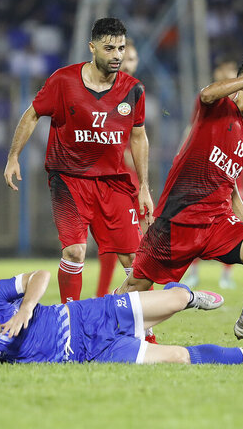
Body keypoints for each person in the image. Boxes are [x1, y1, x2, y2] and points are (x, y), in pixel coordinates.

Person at [117, 55, 243, 348]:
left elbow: (229, 181)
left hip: (218, 222)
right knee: (136, 287)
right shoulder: (218, 108)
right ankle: (99, 326)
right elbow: (207, 93)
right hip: (177, 221)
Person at [4, 18, 154, 304]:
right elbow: (33, 113)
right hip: (69, 179)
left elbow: (138, 137)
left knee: (136, 261)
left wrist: (144, 185)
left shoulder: (134, 89)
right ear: (92, 47)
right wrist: (13, 156)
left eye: (121, 48)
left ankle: (142, 330)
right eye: (109, 48)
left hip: (113, 182)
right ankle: (69, 320)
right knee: (74, 252)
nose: (117, 55)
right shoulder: (63, 80)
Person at [0, 270, 243, 366]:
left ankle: (185, 294)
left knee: (178, 300)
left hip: (93, 312)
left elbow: (39, 277)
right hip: (94, 352)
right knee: (178, 358)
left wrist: (26, 307)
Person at [184, 57, 243, 290]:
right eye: (224, 71)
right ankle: (192, 270)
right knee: (196, 221)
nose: (228, 75)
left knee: (236, 219)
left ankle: (227, 274)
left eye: (232, 71)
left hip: (232, 177)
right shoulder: (210, 101)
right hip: (204, 174)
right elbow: (193, 128)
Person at [95, 38, 144, 297]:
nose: (128, 64)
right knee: (114, 245)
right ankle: (107, 297)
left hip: (130, 177)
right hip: (104, 178)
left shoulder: (135, 91)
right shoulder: (100, 90)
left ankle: (120, 297)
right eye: (125, 59)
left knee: (142, 237)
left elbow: (137, 136)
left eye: (133, 59)